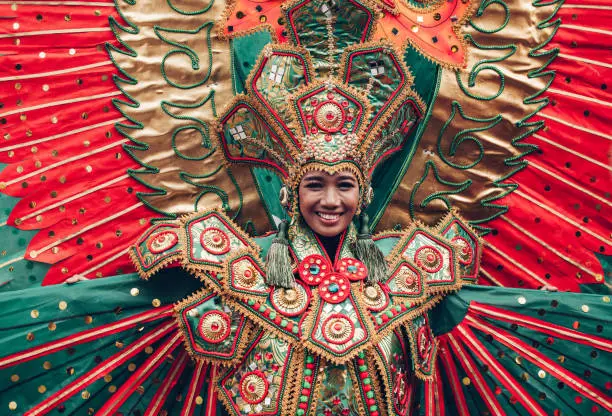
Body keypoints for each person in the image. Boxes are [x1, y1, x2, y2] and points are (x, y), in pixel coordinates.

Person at [0, 1, 610, 415]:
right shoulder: (234, 265)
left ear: (364, 191)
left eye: (343, 186)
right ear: (292, 191)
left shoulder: (412, 271)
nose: (330, 201)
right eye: (315, 186)